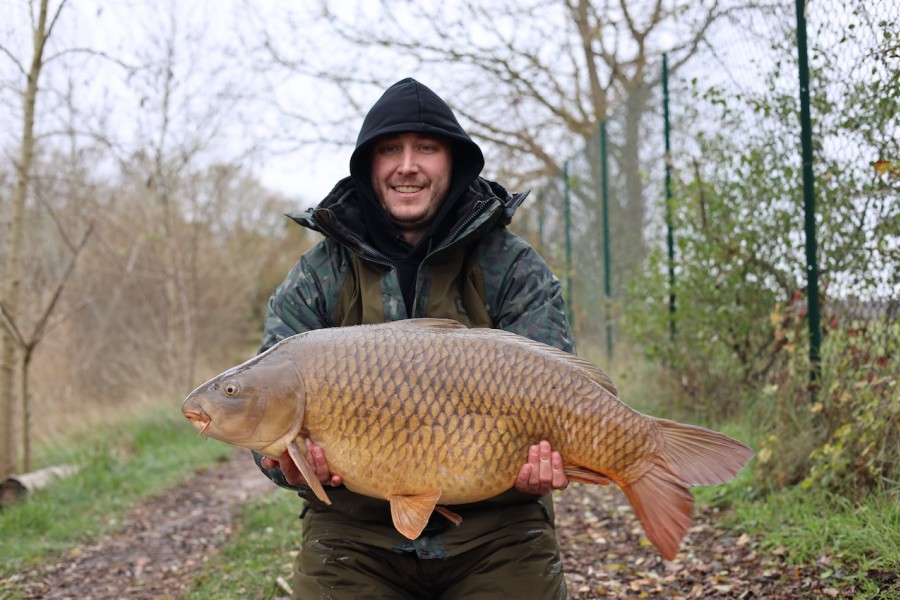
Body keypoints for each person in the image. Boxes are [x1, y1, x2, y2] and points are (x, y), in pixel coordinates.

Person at [254, 77, 575, 599]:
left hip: (499, 530)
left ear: (453, 162)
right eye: (390, 150)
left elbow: (562, 389)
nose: (408, 165)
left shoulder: (511, 266)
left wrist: (543, 463)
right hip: (352, 536)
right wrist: (283, 466)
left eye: (425, 148)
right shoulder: (317, 277)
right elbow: (263, 402)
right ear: (368, 166)